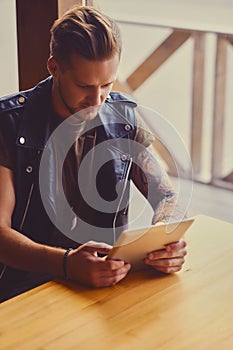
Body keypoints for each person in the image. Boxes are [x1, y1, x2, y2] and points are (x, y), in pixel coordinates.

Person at [0, 5, 187, 302]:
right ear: (54, 67)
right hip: (25, 293)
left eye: (107, 85)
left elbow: (166, 196)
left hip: (104, 286)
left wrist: (168, 240)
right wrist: (65, 263)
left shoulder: (122, 117)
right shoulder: (8, 124)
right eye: (84, 86)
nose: (97, 100)